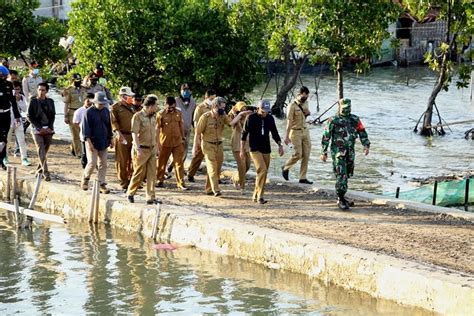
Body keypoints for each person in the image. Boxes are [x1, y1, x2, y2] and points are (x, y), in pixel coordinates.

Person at [320, 98, 370, 210]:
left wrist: (366, 145)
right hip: (338, 152)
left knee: (347, 174)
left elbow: (362, 132)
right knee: (341, 174)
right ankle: (341, 198)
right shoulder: (333, 120)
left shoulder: (355, 119)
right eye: (344, 108)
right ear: (340, 108)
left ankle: (342, 196)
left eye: (348, 108)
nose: (346, 110)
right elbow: (326, 136)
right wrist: (324, 152)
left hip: (350, 152)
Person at [194, 97, 244, 196]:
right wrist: (195, 146)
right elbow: (197, 132)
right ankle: (216, 190)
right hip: (208, 145)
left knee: (217, 169)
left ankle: (209, 189)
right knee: (212, 167)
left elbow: (231, 123)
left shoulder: (223, 115)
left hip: (219, 145)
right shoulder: (205, 117)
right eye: (221, 108)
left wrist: (241, 115)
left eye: (224, 108)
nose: (223, 110)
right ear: (214, 106)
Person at [241, 99, 284, 204]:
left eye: (267, 111)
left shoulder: (270, 118)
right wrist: (242, 150)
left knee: (262, 173)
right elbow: (244, 134)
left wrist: (280, 145)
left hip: (266, 148)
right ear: (258, 108)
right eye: (263, 111)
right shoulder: (250, 118)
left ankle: (255, 195)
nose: (265, 113)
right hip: (254, 148)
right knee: (262, 170)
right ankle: (261, 196)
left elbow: (274, 133)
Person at [127, 95, 159, 204]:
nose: (157, 107)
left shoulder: (154, 116)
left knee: (152, 173)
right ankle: (131, 192)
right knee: (139, 172)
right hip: (141, 149)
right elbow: (134, 133)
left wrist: (157, 147)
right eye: (155, 105)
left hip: (152, 148)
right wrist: (138, 148)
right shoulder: (138, 116)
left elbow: (155, 133)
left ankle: (150, 197)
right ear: (150, 106)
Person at [81, 92, 113, 193]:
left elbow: (109, 126)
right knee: (92, 162)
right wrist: (89, 143)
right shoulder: (88, 113)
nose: (102, 105)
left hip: (104, 141)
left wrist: (111, 138)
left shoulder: (106, 111)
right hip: (92, 141)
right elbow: (85, 130)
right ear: (95, 102)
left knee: (103, 163)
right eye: (100, 103)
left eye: (103, 103)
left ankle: (101, 183)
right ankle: (85, 178)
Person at [282, 86, 313, 184]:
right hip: (295, 132)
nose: (306, 97)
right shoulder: (292, 106)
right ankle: (285, 167)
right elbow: (289, 122)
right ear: (299, 94)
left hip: (305, 131)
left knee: (306, 154)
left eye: (307, 95)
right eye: (304, 95)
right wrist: (286, 136)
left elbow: (305, 115)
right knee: (298, 154)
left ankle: (302, 177)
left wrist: (308, 113)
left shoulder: (306, 103)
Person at [156, 96, 188, 190]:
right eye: (169, 107)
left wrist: (183, 138)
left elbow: (181, 125)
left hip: (177, 142)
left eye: (173, 107)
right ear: (165, 105)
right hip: (165, 142)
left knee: (179, 163)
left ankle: (181, 183)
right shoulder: (160, 114)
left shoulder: (178, 112)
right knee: (162, 163)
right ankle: (160, 180)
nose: (171, 109)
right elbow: (157, 129)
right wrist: (157, 143)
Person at [27, 82, 55, 181]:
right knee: (40, 149)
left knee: (44, 151)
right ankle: (46, 173)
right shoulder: (33, 101)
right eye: (39, 90)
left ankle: (39, 170)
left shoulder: (50, 101)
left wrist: (50, 127)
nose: (41, 92)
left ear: (46, 91)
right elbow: (29, 116)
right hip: (36, 129)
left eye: (43, 90)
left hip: (48, 128)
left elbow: (53, 116)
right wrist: (39, 128)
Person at [187, 89, 216, 182]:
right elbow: (196, 123)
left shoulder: (215, 107)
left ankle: (216, 177)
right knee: (198, 156)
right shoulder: (200, 107)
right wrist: (198, 137)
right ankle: (191, 173)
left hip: (212, 135)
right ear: (206, 97)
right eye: (212, 98)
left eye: (214, 99)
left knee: (215, 157)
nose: (213, 100)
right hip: (202, 135)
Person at [110, 86, 136, 191]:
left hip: (132, 135)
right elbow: (113, 122)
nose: (131, 98)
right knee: (122, 159)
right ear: (123, 96)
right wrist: (118, 133)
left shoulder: (132, 106)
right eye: (129, 96)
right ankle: (123, 181)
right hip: (122, 135)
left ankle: (131, 179)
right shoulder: (115, 107)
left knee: (132, 159)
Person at [228, 101, 252, 193]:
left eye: (245, 109)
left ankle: (236, 178)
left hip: (246, 144)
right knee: (241, 165)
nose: (244, 111)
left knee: (248, 164)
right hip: (237, 144)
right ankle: (242, 187)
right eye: (242, 109)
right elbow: (231, 123)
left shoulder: (247, 117)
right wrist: (238, 115)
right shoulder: (233, 117)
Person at [0, 65, 20, 170]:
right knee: (1, 138)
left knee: (4, 139)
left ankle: (2, 160)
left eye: (4, 75)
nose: (3, 77)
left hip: (6, 114)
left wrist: (17, 116)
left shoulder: (9, 85)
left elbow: (13, 101)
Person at [62, 73, 86, 158]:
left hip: (83, 112)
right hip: (73, 112)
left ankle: (73, 148)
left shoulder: (84, 89)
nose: (78, 82)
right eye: (76, 80)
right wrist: (65, 116)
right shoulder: (68, 90)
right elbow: (66, 104)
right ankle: (79, 153)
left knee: (82, 132)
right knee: (75, 134)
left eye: (79, 80)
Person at [7, 81, 30, 166]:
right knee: (7, 140)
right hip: (8, 120)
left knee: (22, 140)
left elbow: (24, 109)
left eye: (18, 89)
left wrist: (19, 100)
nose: (16, 91)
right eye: (14, 89)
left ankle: (24, 158)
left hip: (18, 121)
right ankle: (5, 157)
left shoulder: (22, 97)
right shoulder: (7, 96)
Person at [174, 83, 196, 162]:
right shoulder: (176, 101)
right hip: (177, 130)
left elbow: (194, 117)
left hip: (188, 130)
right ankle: (172, 166)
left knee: (185, 149)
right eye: (184, 90)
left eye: (187, 90)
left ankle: (181, 166)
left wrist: (196, 129)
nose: (185, 92)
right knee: (177, 149)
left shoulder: (193, 102)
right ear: (180, 91)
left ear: (191, 91)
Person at [73, 92, 95, 168]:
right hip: (84, 136)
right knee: (85, 153)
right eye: (88, 101)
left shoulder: (96, 110)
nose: (89, 103)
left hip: (95, 135)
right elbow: (75, 122)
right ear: (84, 100)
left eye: (91, 101)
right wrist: (83, 127)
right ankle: (84, 166)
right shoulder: (79, 111)